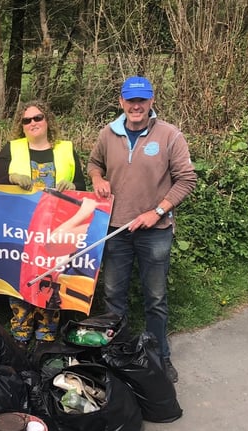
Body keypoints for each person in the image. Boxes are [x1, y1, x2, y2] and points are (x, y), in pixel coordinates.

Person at [88, 76, 197, 383]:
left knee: (156, 298)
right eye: (130, 101)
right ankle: (118, 356)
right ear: (121, 102)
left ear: (151, 102)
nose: (136, 106)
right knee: (113, 297)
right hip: (115, 230)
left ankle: (160, 356)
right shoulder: (108, 134)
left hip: (155, 231)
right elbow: (94, 163)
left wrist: (157, 211)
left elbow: (187, 179)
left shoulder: (169, 135)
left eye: (142, 101)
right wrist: (97, 178)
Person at [0, 100, 86, 350]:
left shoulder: (66, 149)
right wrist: (11, 177)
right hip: (21, 227)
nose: (33, 123)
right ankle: (20, 331)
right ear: (21, 125)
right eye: (27, 120)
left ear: (47, 120)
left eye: (38, 118)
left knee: (52, 277)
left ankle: (47, 333)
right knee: (21, 277)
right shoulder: (12, 148)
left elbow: (83, 188)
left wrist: (74, 187)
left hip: (57, 228)